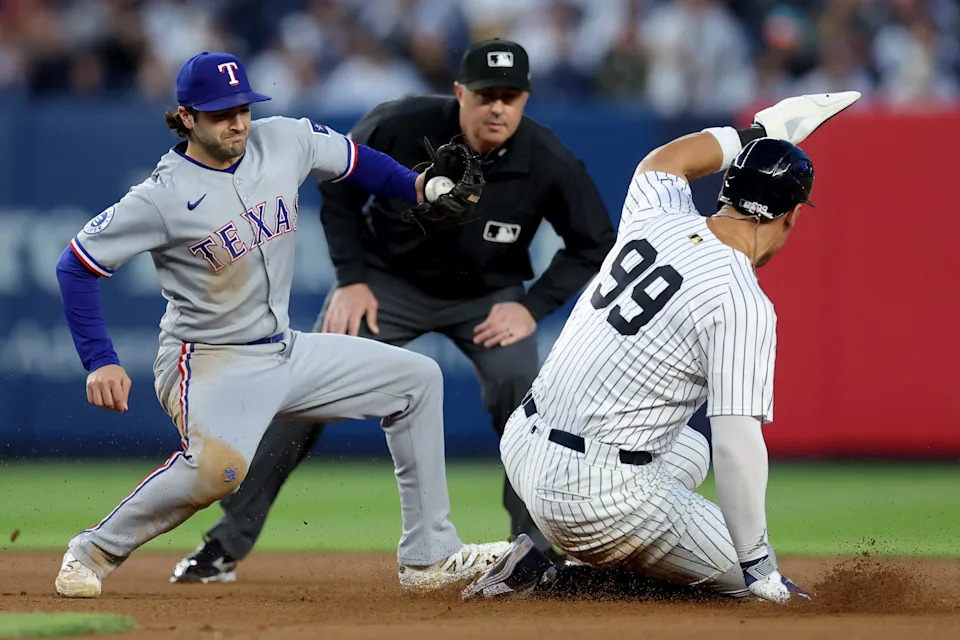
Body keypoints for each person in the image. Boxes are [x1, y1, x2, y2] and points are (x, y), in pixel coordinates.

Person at [52, 51, 509, 598]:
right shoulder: (160, 196)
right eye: (221, 113)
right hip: (209, 361)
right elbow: (75, 264)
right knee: (219, 473)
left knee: (418, 380)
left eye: (243, 108)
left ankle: (429, 556)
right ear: (187, 117)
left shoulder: (283, 139)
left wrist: (419, 186)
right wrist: (100, 360)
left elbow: (354, 160)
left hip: (284, 350)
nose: (237, 122)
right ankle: (91, 551)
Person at [171, 38, 616, 584]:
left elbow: (595, 242)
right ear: (460, 93)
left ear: (524, 99)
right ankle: (225, 543)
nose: (497, 107)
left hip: (488, 297)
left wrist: (531, 306)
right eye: (486, 95)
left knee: (524, 395)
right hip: (387, 286)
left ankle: (536, 551)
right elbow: (336, 188)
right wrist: (352, 280)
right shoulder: (402, 123)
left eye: (510, 96)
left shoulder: (547, 158)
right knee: (299, 393)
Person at [462, 91, 862, 603]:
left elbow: (667, 159)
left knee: (691, 451)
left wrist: (758, 132)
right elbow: (738, 444)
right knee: (756, 592)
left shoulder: (657, 214)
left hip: (523, 444)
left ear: (727, 189)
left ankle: (560, 552)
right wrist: (758, 566)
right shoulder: (740, 299)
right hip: (590, 498)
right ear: (790, 217)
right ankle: (553, 579)